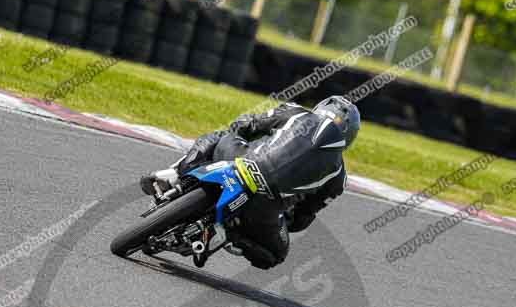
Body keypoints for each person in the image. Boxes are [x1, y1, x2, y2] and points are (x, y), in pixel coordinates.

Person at [140, 95, 360, 270]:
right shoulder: (339, 178)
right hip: (266, 203)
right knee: (276, 255)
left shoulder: (295, 111)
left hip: (239, 160)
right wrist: (283, 216)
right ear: (349, 137)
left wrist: (243, 139)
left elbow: (247, 124)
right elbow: (303, 218)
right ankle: (232, 233)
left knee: (220, 135)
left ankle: (174, 175)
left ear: (320, 108)